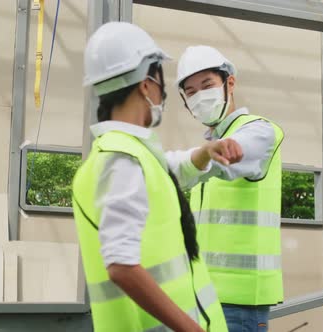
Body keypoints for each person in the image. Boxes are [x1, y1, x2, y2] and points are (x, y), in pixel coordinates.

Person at [72, 23, 240, 332]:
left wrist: (206, 152)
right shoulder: (121, 160)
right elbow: (121, 267)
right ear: (146, 85)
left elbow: (168, 169)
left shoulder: (124, 154)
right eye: (160, 79)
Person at [175, 45, 285, 332]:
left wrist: (217, 153)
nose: (199, 96)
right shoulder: (207, 147)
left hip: (239, 305)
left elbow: (232, 156)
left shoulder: (259, 131)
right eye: (190, 91)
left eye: (207, 85)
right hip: (203, 297)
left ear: (230, 83)